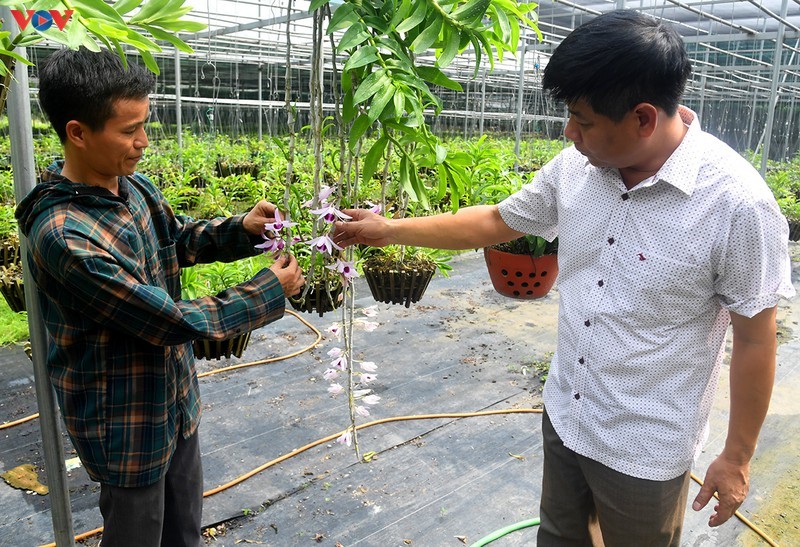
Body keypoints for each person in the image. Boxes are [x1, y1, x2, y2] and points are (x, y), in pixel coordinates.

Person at [333, 10, 794, 546]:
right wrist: (389, 230)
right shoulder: (575, 168)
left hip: (645, 442)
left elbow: (757, 338)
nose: (569, 132)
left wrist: (736, 458)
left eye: (584, 120)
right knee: (559, 537)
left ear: (643, 118)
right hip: (568, 410)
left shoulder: (738, 203)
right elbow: (495, 220)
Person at [16, 48, 305, 547]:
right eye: (129, 130)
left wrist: (243, 229)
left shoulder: (135, 188)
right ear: (78, 133)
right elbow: (164, 319)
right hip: (124, 422)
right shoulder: (65, 235)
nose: (143, 142)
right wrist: (265, 293)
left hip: (174, 402)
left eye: (144, 125)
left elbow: (178, 240)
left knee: (184, 533)